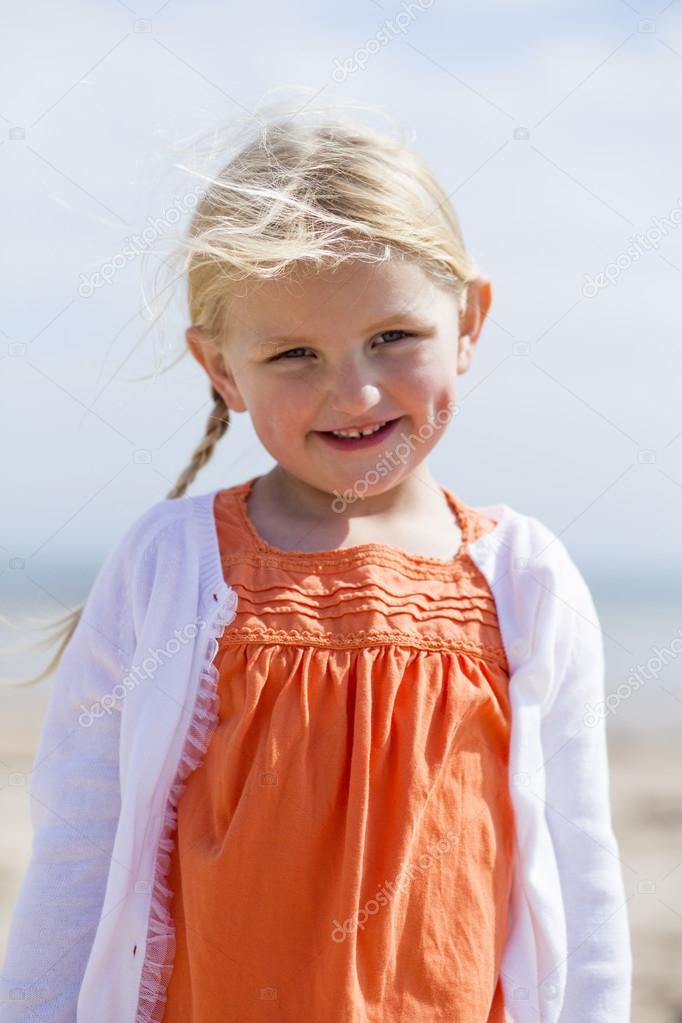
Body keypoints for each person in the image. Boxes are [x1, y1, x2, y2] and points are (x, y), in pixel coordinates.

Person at [0, 108, 632, 1023]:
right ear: (221, 368)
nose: (357, 391)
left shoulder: (526, 581)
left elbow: (580, 874)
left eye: (393, 337)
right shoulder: (169, 565)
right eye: (295, 353)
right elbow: (78, 848)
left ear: (468, 320)